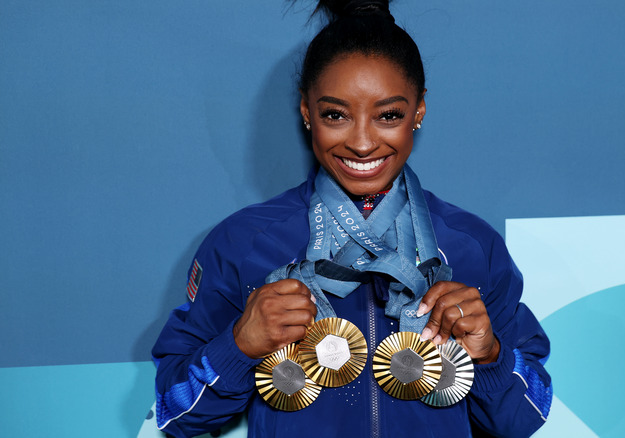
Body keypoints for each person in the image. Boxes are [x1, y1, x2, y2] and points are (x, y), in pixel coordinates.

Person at [152, 1, 552, 437]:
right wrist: (238, 346)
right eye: (336, 115)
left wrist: (491, 355)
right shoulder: (244, 242)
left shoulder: (471, 245)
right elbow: (175, 413)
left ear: (418, 111)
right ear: (307, 112)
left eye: (389, 115)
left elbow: (526, 417)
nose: (362, 143)